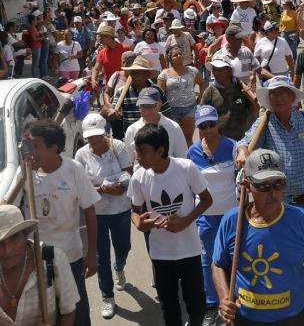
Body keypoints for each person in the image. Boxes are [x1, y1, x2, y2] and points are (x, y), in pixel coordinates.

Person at [212, 148, 304, 326]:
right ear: (247, 185)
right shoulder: (233, 221)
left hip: (292, 319)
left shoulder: (300, 220)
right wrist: (224, 299)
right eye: (263, 186)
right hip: (244, 319)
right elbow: (217, 265)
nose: (273, 193)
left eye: (278, 184)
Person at [128, 123, 213, 326]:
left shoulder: (186, 168)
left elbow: (207, 199)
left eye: (142, 152)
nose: (138, 157)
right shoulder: (139, 177)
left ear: (160, 151)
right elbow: (135, 211)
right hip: (160, 254)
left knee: (196, 305)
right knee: (169, 307)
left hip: (189, 250)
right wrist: (140, 224)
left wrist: (186, 220)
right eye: (136, 151)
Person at [236, 75, 304, 247]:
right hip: (280, 203)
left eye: (283, 93)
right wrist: (242, 152)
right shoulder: (264, 124)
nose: (279, 97)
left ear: (292, 97)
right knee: (286, 252)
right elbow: (244, 143)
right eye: (274, 94)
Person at [23, 120, 100, 326]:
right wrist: (23, 173)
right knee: (48, 313)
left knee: (78, 312)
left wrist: (92, 253)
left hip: (70, 257)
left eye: (36, 146)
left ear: (54, 149)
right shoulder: (26, 173)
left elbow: (90, 211)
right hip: (37, 258)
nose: (32, 151)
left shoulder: (73, 170)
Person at [75, 113, 132, 319]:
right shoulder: (81, 155)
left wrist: (122, 185)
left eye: (98, 136)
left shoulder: (118, 147)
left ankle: (120, 267)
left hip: (121, 209)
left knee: (124, 246)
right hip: (96, 213)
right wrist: (103, 189)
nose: (95, 141)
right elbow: (80, 185)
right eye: (91, 137)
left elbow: (128, 172)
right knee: (101, 256)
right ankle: (107, 296)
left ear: (105, 133)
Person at [187, 105, 237, 326]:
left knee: (233, 258)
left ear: (218, 123)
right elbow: (190, 187)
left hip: (231, 216)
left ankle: (233, 300)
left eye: (211, 124)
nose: (208, 129)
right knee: (207, 261)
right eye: (202, 125)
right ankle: (211, 304)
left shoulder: (233, 147)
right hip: (206, 217)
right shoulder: (193, 152)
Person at [0, 204, 79, 326]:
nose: (7, 250)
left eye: (14, 238)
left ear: (25, 235)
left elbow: (68, 312)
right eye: (0, 243)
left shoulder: (53, 259)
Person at [201, 53, 259, 141]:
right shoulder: (210, 91)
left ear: (229, 71)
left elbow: (254, 111)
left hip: (242, 140)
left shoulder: (241, 88)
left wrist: (250, 97)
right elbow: (202, 120)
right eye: (214, 69)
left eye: (220, 69)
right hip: (219, 142)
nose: (216, 73)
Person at [123, 87, 188, 164]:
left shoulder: (174, 127)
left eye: (150, 105)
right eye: (142, 106)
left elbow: (183, 158)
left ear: (159, 105)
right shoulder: (132, 130)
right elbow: (129, 161)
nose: (146, 110)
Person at [158, 46, 205, 146]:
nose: (179, 56)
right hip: (171, 110)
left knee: (187, 138)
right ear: (170, 59)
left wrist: (200, 98)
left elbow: (201, 83)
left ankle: (189, 160)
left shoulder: (192, 70)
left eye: (180, 54)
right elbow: (160, 93)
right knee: (172, 138)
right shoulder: (164, 74)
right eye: (175, 55)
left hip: (189, 108)